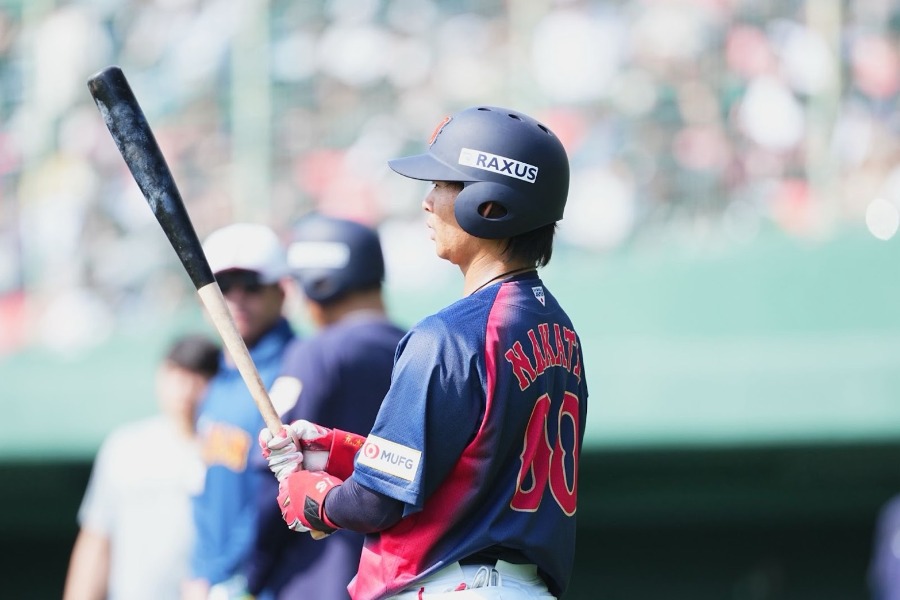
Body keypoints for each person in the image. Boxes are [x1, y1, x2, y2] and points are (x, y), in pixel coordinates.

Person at [260, 105, 588, 599]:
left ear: (491, 206)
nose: (428, 202)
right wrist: (344, 451)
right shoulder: (561, 332)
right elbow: (470, 469)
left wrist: (316, 500)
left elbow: (376, 505)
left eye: (443, 184)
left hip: (450, 585)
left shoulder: (449, 335)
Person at [244, 213, 406, 599]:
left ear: (318, 282)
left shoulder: (315, 353)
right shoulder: (420, 349)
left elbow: (274, 477)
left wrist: (249, 572)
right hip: (403, 571)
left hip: (320, 575)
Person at [184, 223, 296, 600]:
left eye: (250, 285)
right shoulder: (217, 376)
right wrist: (200, 570)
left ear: (280, 293)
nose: (235, 298)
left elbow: (273, 497)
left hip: (272, 580)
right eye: (223, 287)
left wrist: (228, 575)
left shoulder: (295, 369)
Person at [63, 333, 220, 600]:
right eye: (177, 373)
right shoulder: (124, 447)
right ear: (161, 376)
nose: (186, 388)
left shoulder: (227, 448)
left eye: (199, 376)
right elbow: (96, 538)